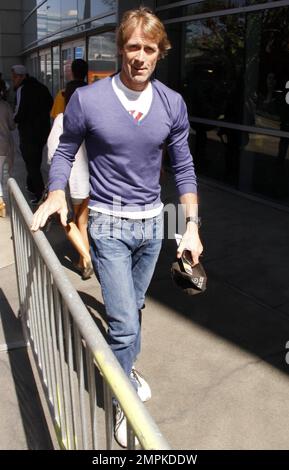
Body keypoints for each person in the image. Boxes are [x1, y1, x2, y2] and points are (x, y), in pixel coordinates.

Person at [31, 7, 203, 447]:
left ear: (160, 52)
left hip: (153, 226)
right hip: (108, 224)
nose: (140, 57)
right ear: (120, 48)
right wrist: (55, 192)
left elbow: (183, 166)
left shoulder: (171, 104)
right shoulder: (88, 100)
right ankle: (125, 406)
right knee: (125, 324)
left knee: (135, 307)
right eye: (132, 47)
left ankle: (124, 364)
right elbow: (66, 149)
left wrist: (191, 226)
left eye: (149, 49)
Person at [47, 80, 93, 279]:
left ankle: (86, 258)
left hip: (71, 181)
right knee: (82, 223)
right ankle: (82, 261)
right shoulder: (92, 119)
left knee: (66, 220)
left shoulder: (62, 119)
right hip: (89, 180)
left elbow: (52, 153)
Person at [11, 65, 53, 203]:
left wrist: (13, 120)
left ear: (22, 76)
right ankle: (31, 187)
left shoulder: (22, 89)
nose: (13, 80)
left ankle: (41, 195)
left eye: (15, 77)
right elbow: (50, 103)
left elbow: (19, 112)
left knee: (32, 165)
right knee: (34, 161)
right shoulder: (41, 87)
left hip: (28, 134)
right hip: (42, 133)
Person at [0, 79, 15, 217]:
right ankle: (3, 204)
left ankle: (0, 203)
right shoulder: (5, 106)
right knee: (6, 176)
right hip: (3, 146)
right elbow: (12, 125)